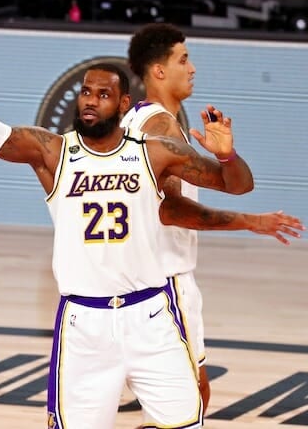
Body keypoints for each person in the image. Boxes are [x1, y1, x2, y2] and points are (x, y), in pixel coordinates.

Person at [0, 27, 303, 425]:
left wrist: (227, 155)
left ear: (123, 103)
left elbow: (238, 185)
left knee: (187, 419)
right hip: (85, 322)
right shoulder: (54, 152)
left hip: (150, 315)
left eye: (103, 94)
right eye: (86, 92)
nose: (91, 101)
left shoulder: (154, 153)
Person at [123, 22, 305, 416]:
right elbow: (172, 210)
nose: (192, 68)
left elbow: (235, 182)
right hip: (164, 281)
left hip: (132, 279)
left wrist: (225, 156)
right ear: (159, 70)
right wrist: (251, 222)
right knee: (191, 401)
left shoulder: (132, 121)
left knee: (179, 403)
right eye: (183, 60)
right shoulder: (161, 128)